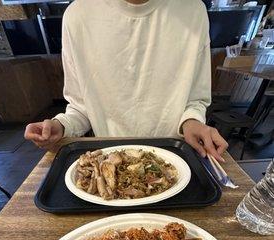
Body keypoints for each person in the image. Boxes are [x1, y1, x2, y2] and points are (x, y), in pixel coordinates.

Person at [25, 0, 228, 162]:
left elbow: (195, 100)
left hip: (175, 157)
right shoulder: (77, 16)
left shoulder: (193, 10)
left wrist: (192, 121)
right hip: (109, 159)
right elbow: (81, 107)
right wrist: (60, 125)